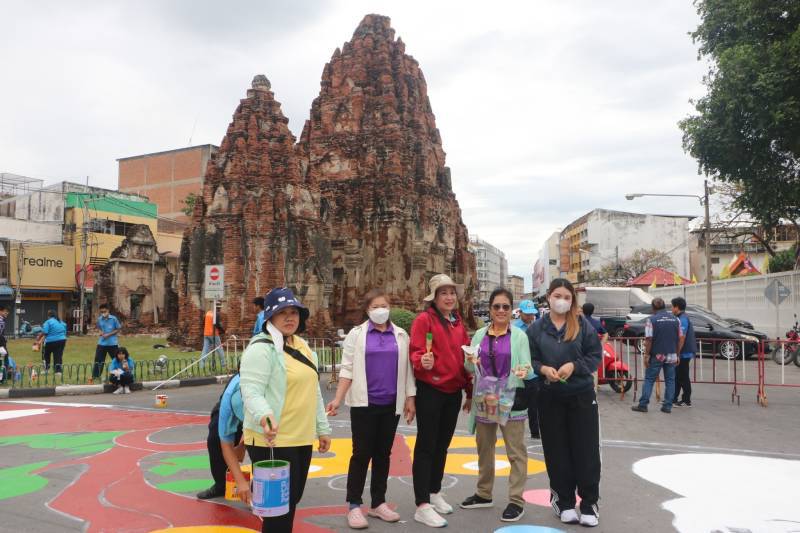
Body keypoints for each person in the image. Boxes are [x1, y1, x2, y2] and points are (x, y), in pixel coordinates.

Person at [239, 287, 331, 533]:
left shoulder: (302, 346)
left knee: (291, 501)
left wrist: (322, 428)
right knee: (278, 510)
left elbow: (314, 390)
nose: (290, 318)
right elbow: (251, 391)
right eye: (282, 313)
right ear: (270, 317)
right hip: (271, 439)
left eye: (294, 312)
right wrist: (264, 415)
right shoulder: (260, 349)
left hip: (301, 438)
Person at [325, 289, 416, 529]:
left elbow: (407, 370)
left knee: (383, 455)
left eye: (384, 305)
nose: (380, 310)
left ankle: (378, 503)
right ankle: (354, 504)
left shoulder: (401, 335)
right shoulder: (357, 335)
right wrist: (337, 399)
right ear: (367, 310)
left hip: (391, 404)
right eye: (375, 307)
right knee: (361, 454)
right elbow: (347, 368)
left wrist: (410, 398)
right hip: (364, 404)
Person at [527, 278, 603, 527]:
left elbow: (595, 356)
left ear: (573, 300)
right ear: (548, 297)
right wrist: (543, 369)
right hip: (549, 396)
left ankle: (589, 503)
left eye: (567, 297)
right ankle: (564, 502)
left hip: (581, 395)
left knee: (586, 450)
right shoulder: (536, 328)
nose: (562, 301)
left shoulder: (582, 325)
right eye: (557, 296)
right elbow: (529, 359)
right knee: (556, 451)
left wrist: (574, 366)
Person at [461, 287, 534, 523]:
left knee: (516, 451)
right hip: (485, 396)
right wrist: (470, 360)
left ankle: (516, 501)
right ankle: (484, 493)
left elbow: (527, 367)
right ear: (490, 309)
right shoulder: (479, 335)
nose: (501, 310)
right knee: (484, 447)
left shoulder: (519, 336)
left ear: (511, 310)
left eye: (505, 306)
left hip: (511, 397)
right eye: (496, 306)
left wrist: (524, 370)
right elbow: (470, 367)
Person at [409, 274, 472, 528]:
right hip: (431, 389)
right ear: (434, 298)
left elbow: (466, 358)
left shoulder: (457, 323)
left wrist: (469, 389)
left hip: (453, 391)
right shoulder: (424, 320)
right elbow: (415, 352)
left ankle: (434, 491)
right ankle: (422, 504)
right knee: (426, 446)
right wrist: (421, 361)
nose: (449, 297)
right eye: (443, 293)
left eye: (452, 292)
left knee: (442, 445)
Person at [196, 372, 248, 504]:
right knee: (215, 437)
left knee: (260, 445)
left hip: (263, 413)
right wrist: (240, 482)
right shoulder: (229, 399)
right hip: (233, 399)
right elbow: (226, 444)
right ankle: (221, 484)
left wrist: (243, 445)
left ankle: (265, 487)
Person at [632, 298, 681, 414]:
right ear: (664, 306)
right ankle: (667, 406)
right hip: (672, 354)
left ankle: (643, 405)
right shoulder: (676, 319)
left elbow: (649, 339)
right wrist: (678, 354)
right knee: (670, 381)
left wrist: (646, 355)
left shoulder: (652, 320)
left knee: (649, 379)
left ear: (653, 308)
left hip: (657, 354)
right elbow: (679, 339)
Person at [512, 299, 540, 439]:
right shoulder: (514, 328)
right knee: (518, 405)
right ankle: (514, 432)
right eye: (527, 314)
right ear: (520, 312)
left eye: (532, 313)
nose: (530, 316)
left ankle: (535, 432)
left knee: (535, 406)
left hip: (534, 373)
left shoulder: (536, 327)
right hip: (519, 374)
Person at [671, 297, 695, 407]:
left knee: (683, 377)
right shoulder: (679, 317)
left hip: (684, 353)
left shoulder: (683, 319)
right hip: (682, 352)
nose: (671, 309)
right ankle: (673, 398)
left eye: (672, 306)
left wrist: (677, 353)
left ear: (677, 307)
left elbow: (682, 337)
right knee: (678, 376)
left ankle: (686, 400)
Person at [92, 304, 121, 381]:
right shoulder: (99, 319)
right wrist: (100, 332)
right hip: (102, 343)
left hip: (112, 343)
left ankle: (118, 374)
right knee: (98, 360)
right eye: (101, 312)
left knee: (116, 359)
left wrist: (109, 334)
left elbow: (118, 329)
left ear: (108, 310)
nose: (103, 313)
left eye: (104, 311)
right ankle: (96, 376)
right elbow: (98, 327)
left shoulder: (114, 319)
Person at [37, 310, 68, 376]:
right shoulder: (61, 322)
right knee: (58, 355)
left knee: (46, 355)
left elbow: (45, 332)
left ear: (49, 316)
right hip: (62, 340)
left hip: (50, 341)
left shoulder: (48, 322)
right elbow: (65, 331)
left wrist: (39, 339)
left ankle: (46, 369)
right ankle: (58, 371)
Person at [201, 305, 226, 371]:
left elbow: (203, 323)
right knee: (219, 348)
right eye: (219, 308)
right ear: (218, 308)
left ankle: (202, 365)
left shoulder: (207, 313)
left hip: (206, 334)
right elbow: (217, 324)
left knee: (205, 349)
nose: (220, 309)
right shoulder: (216, 314)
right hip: (213, 334)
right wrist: (223, 331)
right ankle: (223, 364)